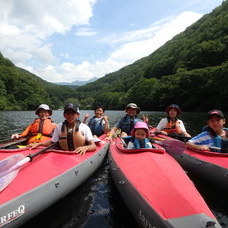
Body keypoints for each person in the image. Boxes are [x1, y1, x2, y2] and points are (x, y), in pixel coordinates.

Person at [29, 104, 96, 155]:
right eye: (67, 113)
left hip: (78, 154)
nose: (70, 116)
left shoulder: (84, 127)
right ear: (64, 115)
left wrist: (86, 148)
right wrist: (38, 144)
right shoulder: (59, 126)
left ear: (77, 115)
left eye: (72, 113)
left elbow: (93, 146)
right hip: (62, 154)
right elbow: (53, 142)